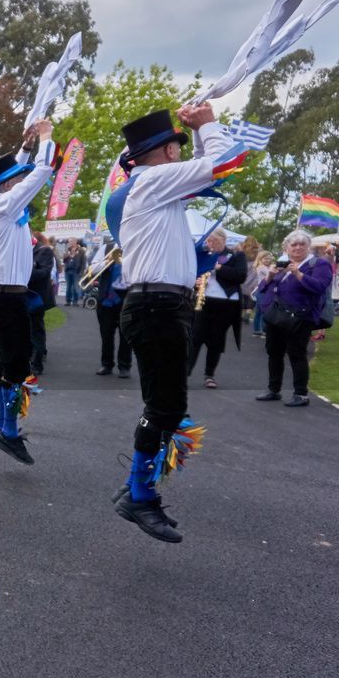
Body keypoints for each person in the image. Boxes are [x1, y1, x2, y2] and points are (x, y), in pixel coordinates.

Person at [106, 103, 244, 543]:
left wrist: (198, 133)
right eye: (176, 149)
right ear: (167, 153)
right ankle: (139, 496)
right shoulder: (152, 181)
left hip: (162, 305)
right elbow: (224, 162)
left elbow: (209, 169)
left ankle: (136, 488)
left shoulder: (154, 186)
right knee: (164, 408)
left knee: (166, 405)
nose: (180, 159)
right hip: (157, 306)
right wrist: (207, 125)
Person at [0, 120, 55, 465]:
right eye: (17, 179)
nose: (23, 183)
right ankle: (6, 431)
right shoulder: (0, 206)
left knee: (9, 363)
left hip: (8, 297)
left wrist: (25, 146)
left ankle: (5, 428)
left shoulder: (3, 207)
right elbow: (41, 174)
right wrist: (46, 138)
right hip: (5, 297)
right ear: (8, 185)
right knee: (15, 366)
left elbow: (22, 175)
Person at [255, 230, 333, 406]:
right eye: (293, 244)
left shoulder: (319, 264)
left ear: (308, 246)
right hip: (275, 315)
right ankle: (273, 390)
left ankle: (300, 393)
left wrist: (298, 274)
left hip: (300, 317)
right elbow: (262, 288)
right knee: (274, 353)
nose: (297, 248)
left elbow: (320, 286)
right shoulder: (282, 263)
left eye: (302, 244)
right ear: (287, 248)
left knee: (296, 354)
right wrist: (270, 275)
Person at [188, 229, 247, 388]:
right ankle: (185, 372)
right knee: (195, 338)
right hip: (205, 301)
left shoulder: (235, 256)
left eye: (213, 241)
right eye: (208, 241)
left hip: (226, 303)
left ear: (223, 240)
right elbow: (192, 275)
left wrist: (218, 267)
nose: (210, 244)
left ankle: (209, 375)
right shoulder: (204, 256)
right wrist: (196, 282)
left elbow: (240, 276)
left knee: (216, 340)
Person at [94, 242, 132, 378]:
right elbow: (92, 270)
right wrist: (106, 262)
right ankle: (106, 364)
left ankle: (125, 366)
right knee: (106, 334)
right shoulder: (107, 248)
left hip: (127, 296)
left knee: (126, 334)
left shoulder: (135, 245)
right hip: (106, 298)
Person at [27, 232, 56, 375]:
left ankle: (37, 363)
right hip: (23, 296)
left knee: (36, 328)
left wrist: (24, 273)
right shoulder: (22, 250)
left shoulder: (44, 250)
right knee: (25, 329)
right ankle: (29, 357)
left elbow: (44, 273)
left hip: (37, 296)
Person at [63, 238, 86, 306]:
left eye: (71, 241)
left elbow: (83, 262)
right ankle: (68, 301)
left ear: (75, 242)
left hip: (76, 271)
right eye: (69, 242)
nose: (70, 243)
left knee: (75, 287)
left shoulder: (81, 250)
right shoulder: (67, 249)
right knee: (68, 287)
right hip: (68, 270)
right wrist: (68, 255)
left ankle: (75, 301)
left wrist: (81, 272)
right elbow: (64, 260)